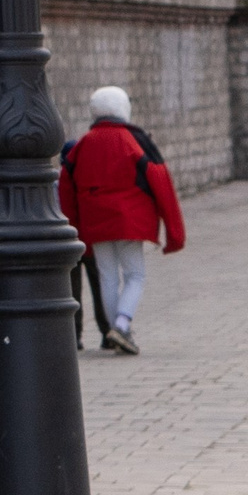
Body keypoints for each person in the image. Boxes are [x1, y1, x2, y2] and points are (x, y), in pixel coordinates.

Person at [56, 85, 185, 356]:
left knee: (108, 278)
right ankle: (122, 324)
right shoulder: (134, 141)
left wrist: (73, 229)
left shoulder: (82, 145)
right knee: (135, 274)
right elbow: (160, 181)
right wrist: (174, 232)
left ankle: (117, 331)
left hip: (95, 222)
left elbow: (66, 189)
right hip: (130, 220)